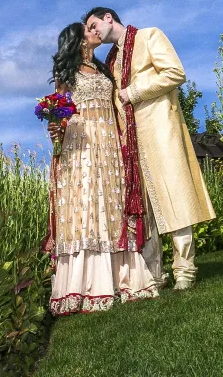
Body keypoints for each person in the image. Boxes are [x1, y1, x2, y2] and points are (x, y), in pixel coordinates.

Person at [67, 7, 216, 290]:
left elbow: (174, 72)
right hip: (129, 144)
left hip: (160, 132)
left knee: (174, 198)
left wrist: (133, 92)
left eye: (93, 24)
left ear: (108, 17)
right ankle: (154, 274)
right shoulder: (110, 61)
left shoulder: (149, 36)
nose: (93, 31)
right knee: (143, 209)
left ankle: (184, 270)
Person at [43, 22, 159, 316]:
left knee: (112, 203)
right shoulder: (66, 72)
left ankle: (124, 280)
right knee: (85, 204)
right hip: (80, 143)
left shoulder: (105, 69)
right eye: (88, 30)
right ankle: (86, 285)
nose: (95, 32)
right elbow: (58, 109)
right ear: (79, 40)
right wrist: (55, 127)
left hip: (109, 144)